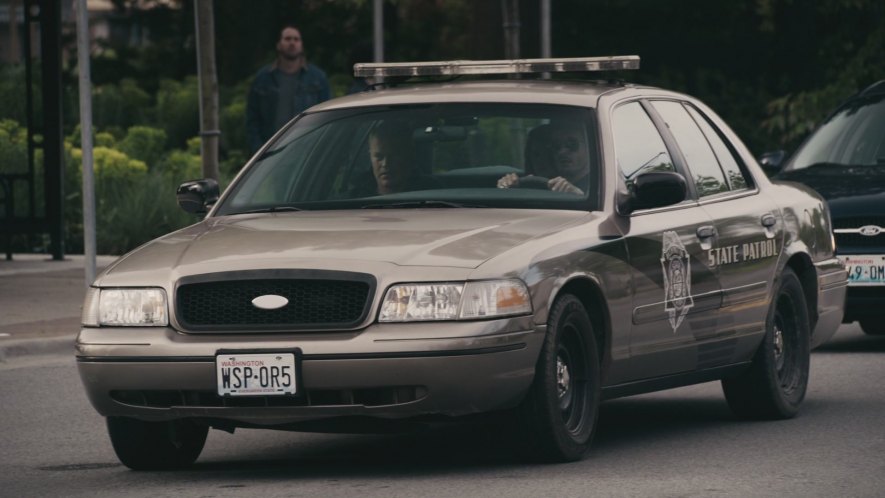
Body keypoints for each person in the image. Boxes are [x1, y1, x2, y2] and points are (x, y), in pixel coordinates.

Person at [246, 25, 331, 153]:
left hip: (307, 149)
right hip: (271, 151)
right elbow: (252, 119)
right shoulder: (263, 78)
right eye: (287, 39)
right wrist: (259, 150)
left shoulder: (318, 78)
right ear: (278, 45)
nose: (292, 43)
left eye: (296, 39)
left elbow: (327, 117)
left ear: (301, 45)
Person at [497, 121, 590, 194]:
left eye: (571, 144)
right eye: (556, 146)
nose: (562, 151)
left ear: (589, 147)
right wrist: (507, 186)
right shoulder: (538, 186)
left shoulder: (601, 186)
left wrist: (578, 196)